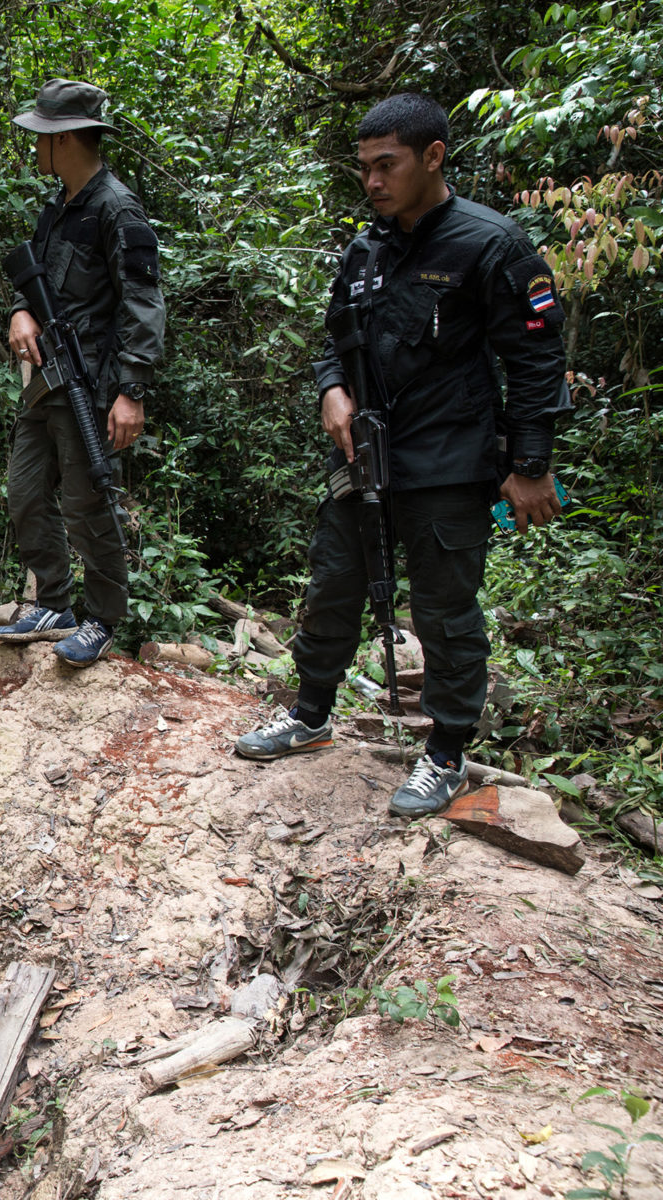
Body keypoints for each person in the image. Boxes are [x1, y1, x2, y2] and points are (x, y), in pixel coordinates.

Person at [233, 93, 568, 817]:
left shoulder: (492, 245)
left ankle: (446, 756)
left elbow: (537, 360)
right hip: (367, 453)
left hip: (450, 460)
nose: (373, 182)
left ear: (434, 157)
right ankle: (310, 714)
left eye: (387, 166)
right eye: (364, 169)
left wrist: (530, 465)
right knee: (331, 586)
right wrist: (331, 391)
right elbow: (335, 339)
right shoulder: (367, 249)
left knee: (444, 611)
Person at [0, 79, 166, 667]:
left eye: (41, 136)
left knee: (88, 503)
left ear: (63, 138)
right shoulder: (58, 205)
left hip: (90, 383)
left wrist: (131, 392)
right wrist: (20, 310)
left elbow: (144, 302)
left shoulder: (117, 208)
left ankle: (101, 619)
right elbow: (31, 279)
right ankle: (56, 603)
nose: (33, 147)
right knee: (23, 491)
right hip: (43, 379)